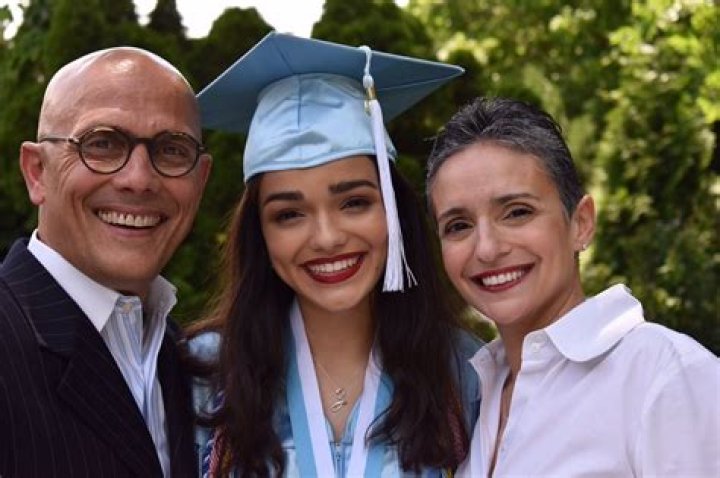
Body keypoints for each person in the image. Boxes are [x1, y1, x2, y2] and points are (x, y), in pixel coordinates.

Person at [190, 32, 481, 477]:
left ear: (393, 211)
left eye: (354, 203)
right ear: (260, 234)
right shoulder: (205, 374)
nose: (326, 238)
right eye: (289, 214)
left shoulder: (464, 373)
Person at [426, 97, 720, 477]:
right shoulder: (480, 391)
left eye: (517, 212)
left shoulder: (661, 376)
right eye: (458, 226)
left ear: (581, 223)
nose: (487, 248)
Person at [0, 47, 212, 477]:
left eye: (172, 149)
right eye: (102, 143)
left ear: (200, 179)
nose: (139, 179)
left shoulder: (192, 365)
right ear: (37, 172)